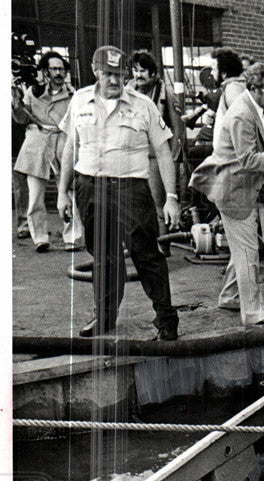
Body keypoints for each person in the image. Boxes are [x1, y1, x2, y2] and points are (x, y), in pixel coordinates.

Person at [58, 45, 180, 340]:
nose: (114, 80)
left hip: (132, 189)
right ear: (94, 70)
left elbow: (163, 153)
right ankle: (105, 317)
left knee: (146, 254)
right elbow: (70, 148)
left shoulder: (143, 105)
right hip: (91, 187)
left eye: (119, 74)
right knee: (103, 256)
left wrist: (172, 199)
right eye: (107, 74)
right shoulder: (79, 100)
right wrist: (63, 191)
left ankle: (166, 319)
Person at [189, 63, 264, 326]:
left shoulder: (257, 107)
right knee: (248, 252)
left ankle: (231, 296)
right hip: (234, 190)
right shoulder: (242, 115)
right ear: (254, 89)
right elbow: (248, 159)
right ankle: (254, 313)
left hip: (242, 187)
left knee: (241, 248)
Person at [12, 50, 83, 252]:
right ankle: (40, 238)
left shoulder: (73, 95)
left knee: (69, 191)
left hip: (63, 143)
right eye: (54, 68)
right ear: (45, 71)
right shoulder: (33, 92)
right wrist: (15, 104)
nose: (58, 73)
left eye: (61, 68)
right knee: (35, 195)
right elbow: (21, 118)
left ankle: (72, 237)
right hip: (37, 145)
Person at [128, 49, 185, 253]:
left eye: (143, 71)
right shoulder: (128, 92)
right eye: (135, 71)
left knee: (157, 201)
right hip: (132, 155)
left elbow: (178, 127)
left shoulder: (165, 94)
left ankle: (163, 244)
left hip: (155, 155)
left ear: (153, 73)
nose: (138, 75)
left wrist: (175, 156)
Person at [210, 47, 245, 143]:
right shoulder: (232, 87)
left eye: (213, 69)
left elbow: (241, 124)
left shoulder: (233, 88)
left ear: (224, 73)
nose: (211, 73)